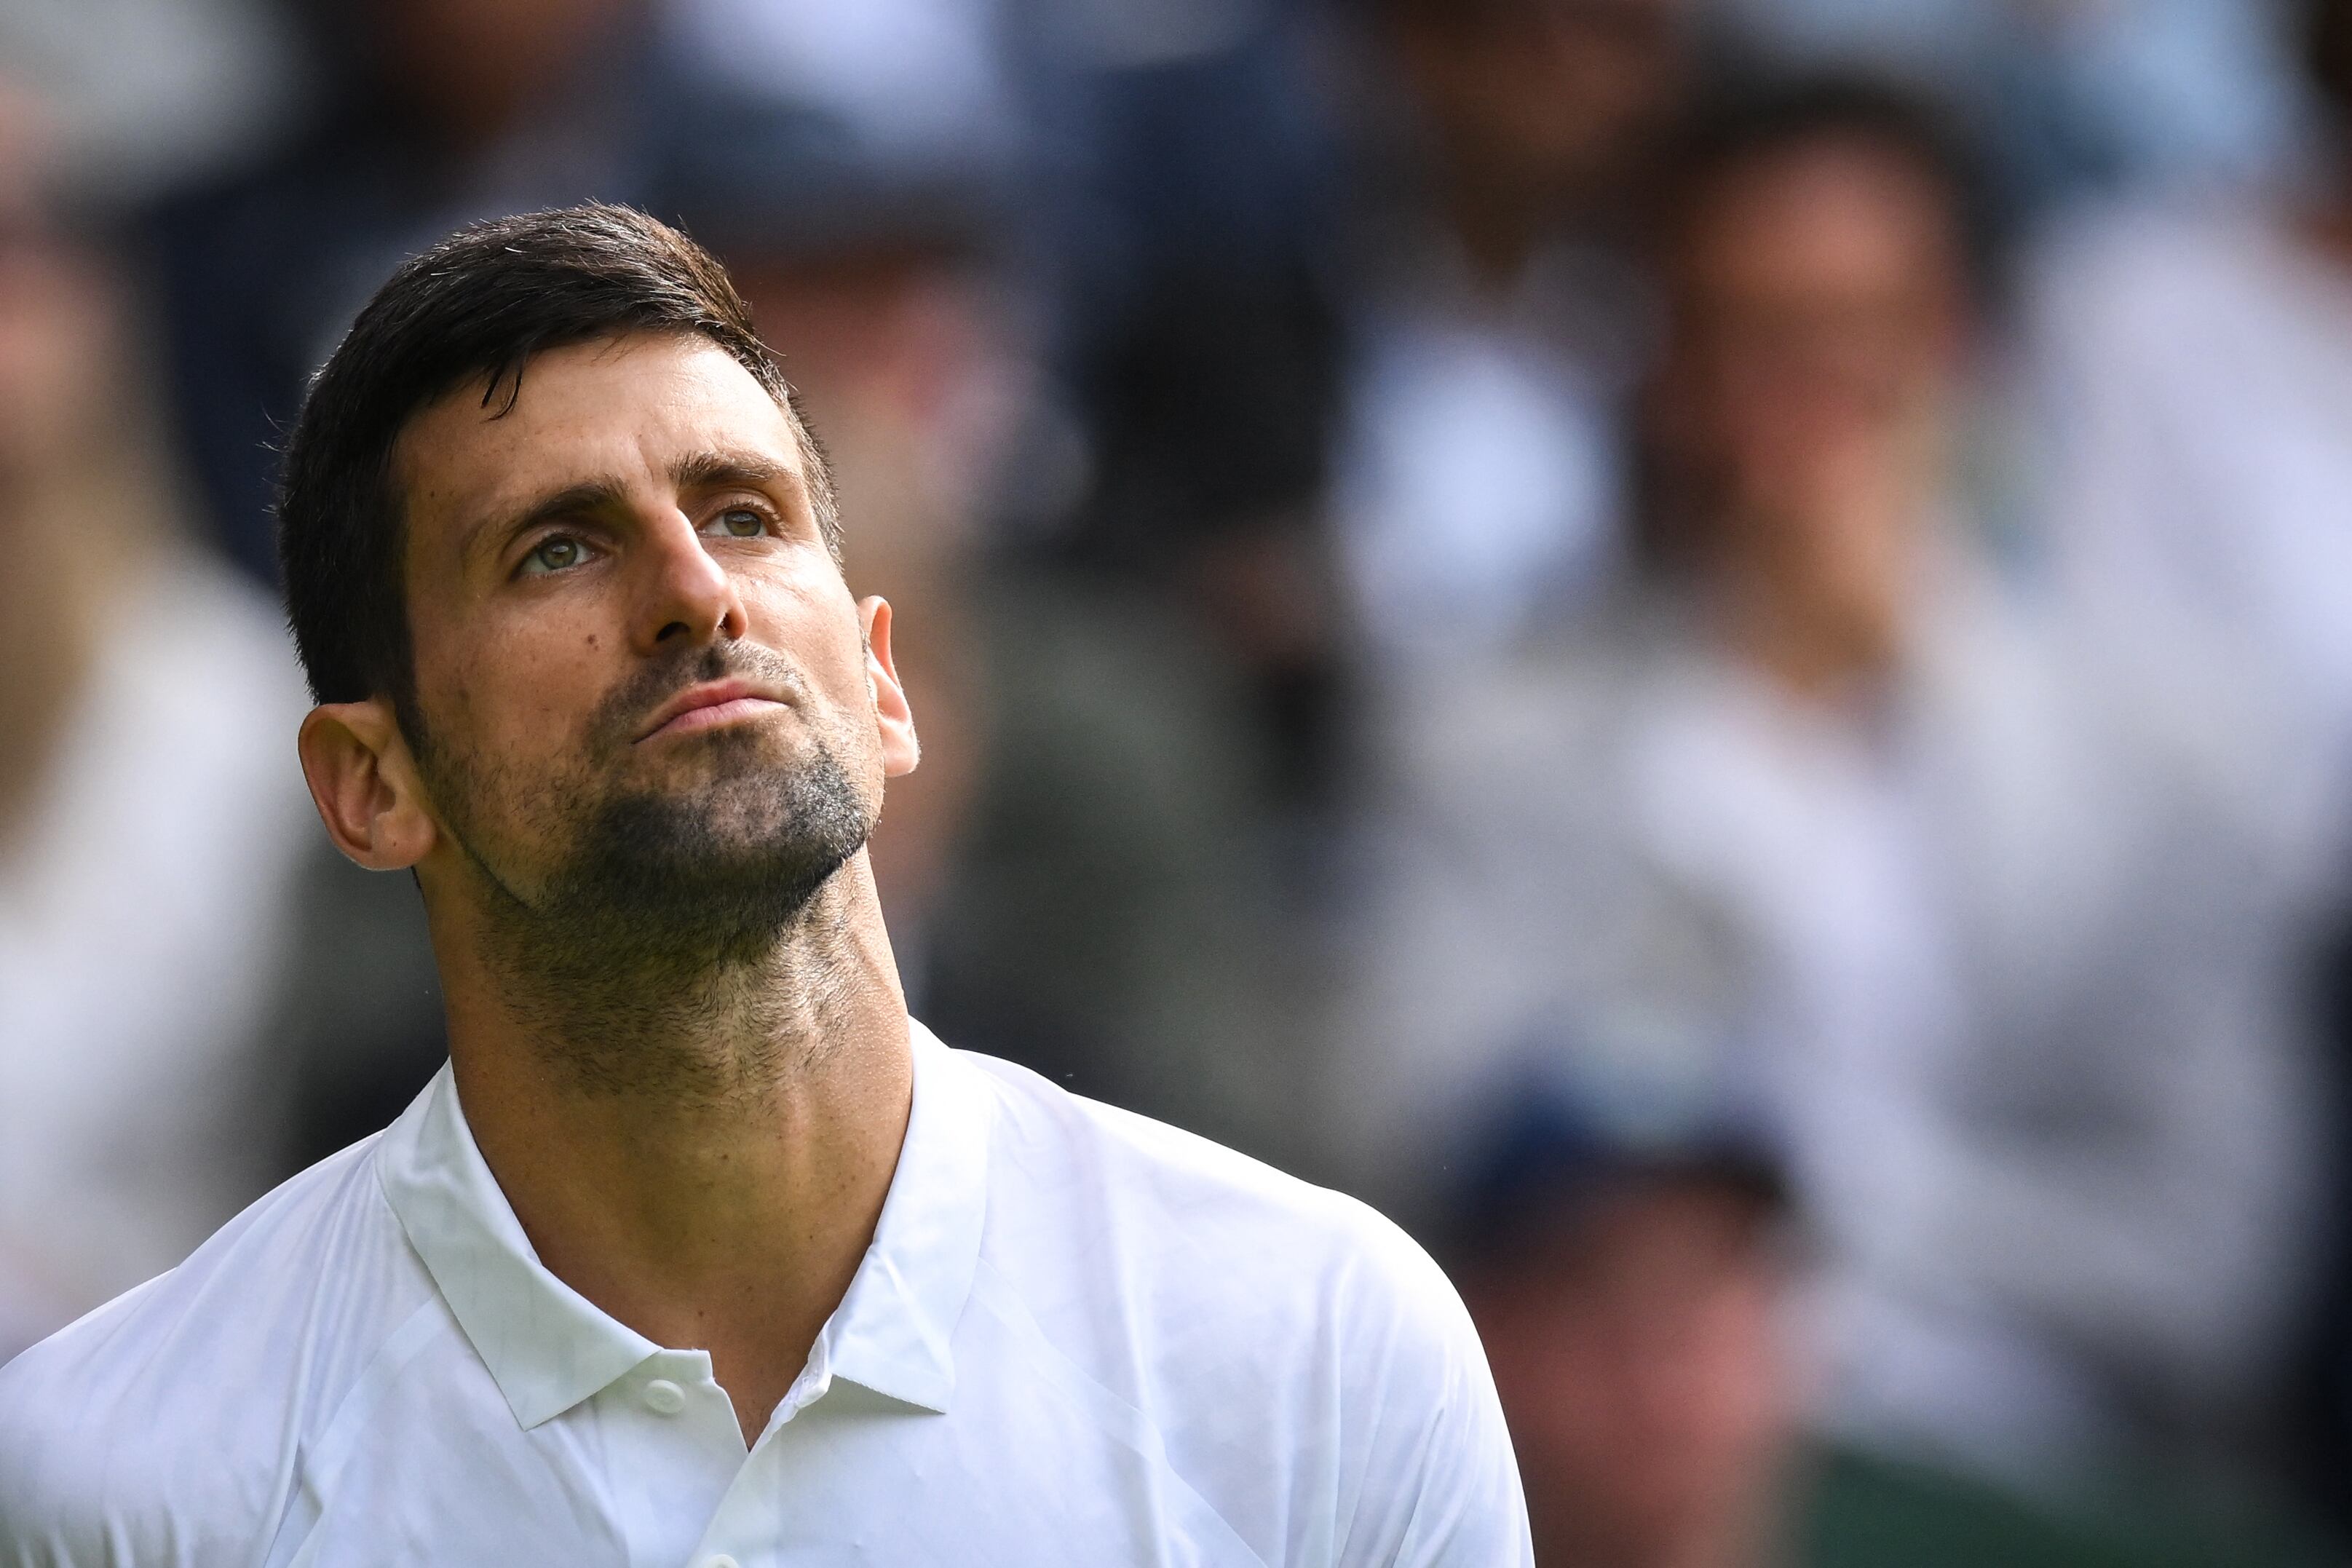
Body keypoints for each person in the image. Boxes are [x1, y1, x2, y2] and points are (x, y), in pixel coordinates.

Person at [0, 203, 1529, 1564]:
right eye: (554, 550)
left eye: (742, 513)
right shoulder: (122, 1483)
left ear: (884, 684)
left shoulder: (1322, 1351)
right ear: (370, 784)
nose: (693, 592)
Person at [1346, 78, 2319, 1487]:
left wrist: (1802, 1218)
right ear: (1661, 365)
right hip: (1604, 1481)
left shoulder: (2176, 760)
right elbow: (1420, 1161)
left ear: (1956, 350)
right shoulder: (1480, 731)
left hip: (2031, 1486)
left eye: (1850, 339)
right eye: (1742, 339)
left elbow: (2205, 1268)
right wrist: (1742, 745)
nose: (1795, 412)